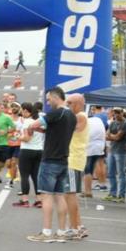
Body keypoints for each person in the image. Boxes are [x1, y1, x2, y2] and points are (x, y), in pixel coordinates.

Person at [26, 87, 76, 242]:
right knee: (60, 196)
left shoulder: (56, 113)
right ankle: (61, 232)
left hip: (50, 160)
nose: (48, 103)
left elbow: (34, 124)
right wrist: (41, 131)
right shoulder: (71, 116)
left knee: (46, 196)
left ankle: (46, 232)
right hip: (63, 159)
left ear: (56, 97)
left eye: (49, 99)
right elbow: (54, 131)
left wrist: (29, 128)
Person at [63, 94, 88, 240]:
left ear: (78, 104)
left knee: (69, 195)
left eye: (70, 103)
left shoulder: (79, 116)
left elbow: (70, 129)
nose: (68, 105)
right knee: (70, 195)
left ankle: (74, 228)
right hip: (74, 159)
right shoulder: (79, 115)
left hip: (73, 160)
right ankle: (78, 226)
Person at [14, 103, 43, 208]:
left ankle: (25, 200)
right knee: (36, 176)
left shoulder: (27, 122)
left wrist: (18, 136)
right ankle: (39, 200)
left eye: (22, 110)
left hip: (27, 150)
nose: (21, 112)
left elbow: (27, 138)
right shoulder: (38, 121)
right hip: (39, 150)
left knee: (25, 175)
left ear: (26, 111)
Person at [104, 108, 126, 203]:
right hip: (112, 150)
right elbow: (107, 136)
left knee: (121, 174)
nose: (116, 115)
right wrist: (112, 136)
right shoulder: (113, 123)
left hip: (121, 151)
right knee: (111, 173)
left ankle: (121, 196)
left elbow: (118, 137)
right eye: (115, 113)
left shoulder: (125, 124)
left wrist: (111, 136)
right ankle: (112, 193)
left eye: (118, 113)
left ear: (122, 113)